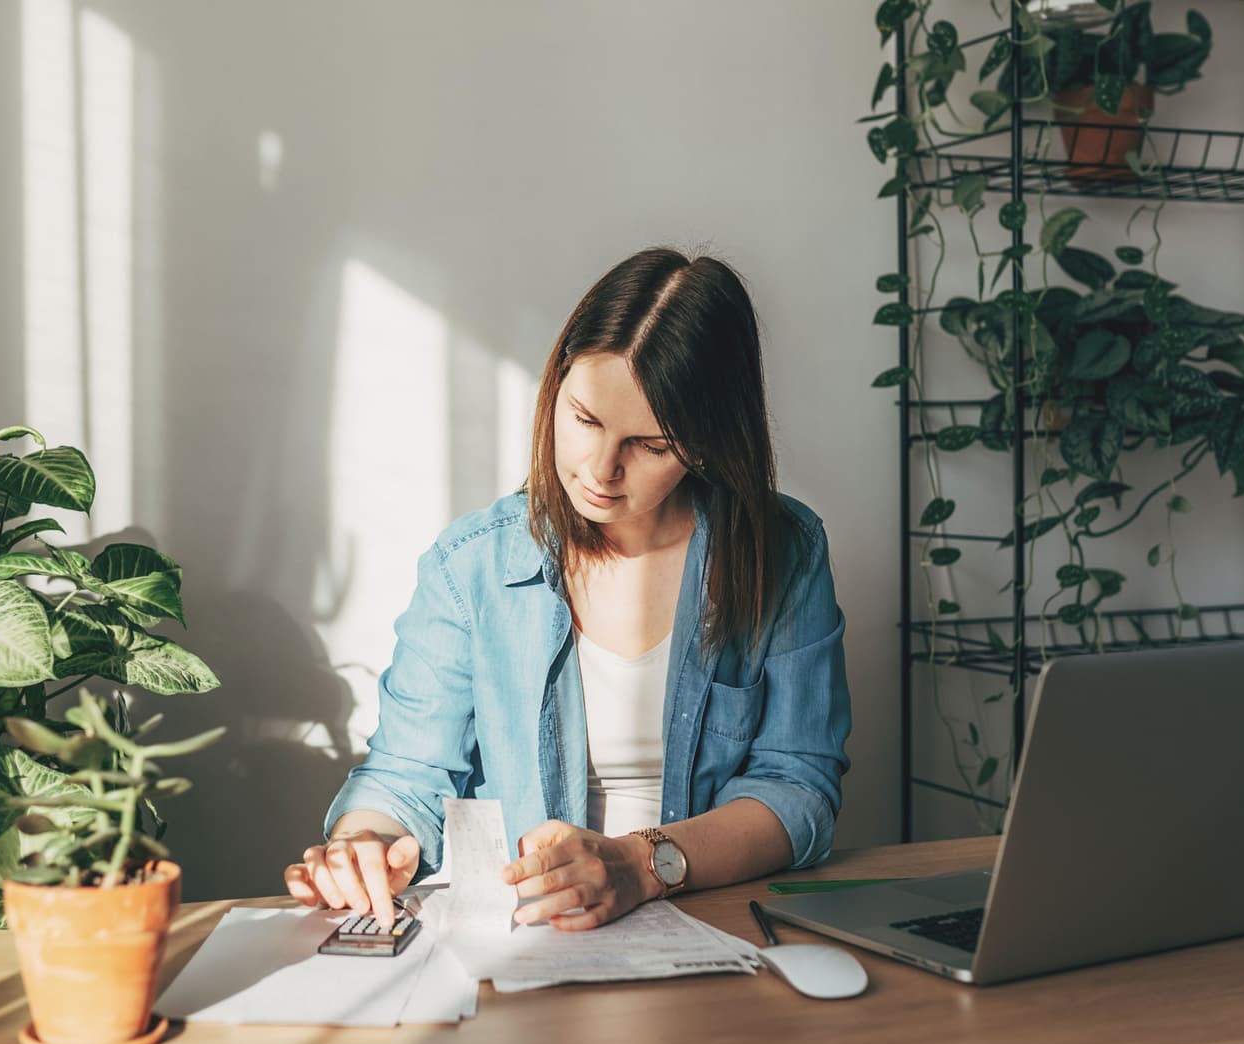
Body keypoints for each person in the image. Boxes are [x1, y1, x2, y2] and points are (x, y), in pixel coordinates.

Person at [283, 247, 851, 932]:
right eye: (585, 420)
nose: (602, 469)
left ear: (705, 443)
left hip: (713, 918)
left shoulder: (782, 552)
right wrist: (363, 845)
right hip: (530, 934)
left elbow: (798, 786)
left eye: (650, 445)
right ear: (556, 387)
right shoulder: (471, 567)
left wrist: (641, 865)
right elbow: (406, 774)